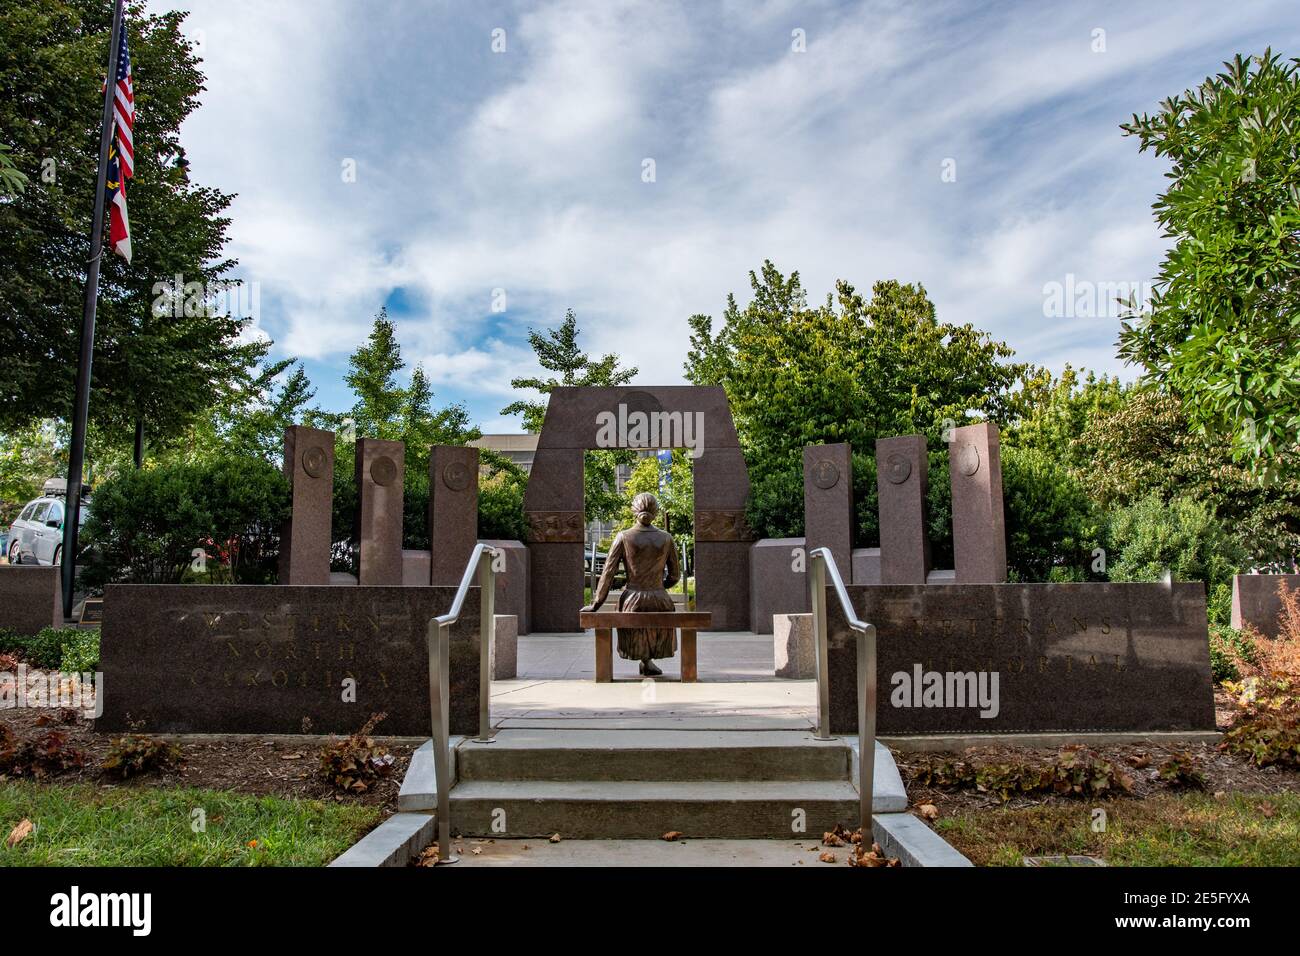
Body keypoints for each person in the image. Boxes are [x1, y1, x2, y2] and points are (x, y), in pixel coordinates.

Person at [582, 492, 682, 676]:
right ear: (656, 512)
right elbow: (675, 576)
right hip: (660, 599)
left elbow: (608, 573)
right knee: (654, 629)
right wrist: (660, 587)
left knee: (637, 631)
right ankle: (648, 661)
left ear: (633, 511)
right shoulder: (666, 538)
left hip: (632, 599)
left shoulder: (623, 537)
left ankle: (645, 660)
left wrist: (596, 604)